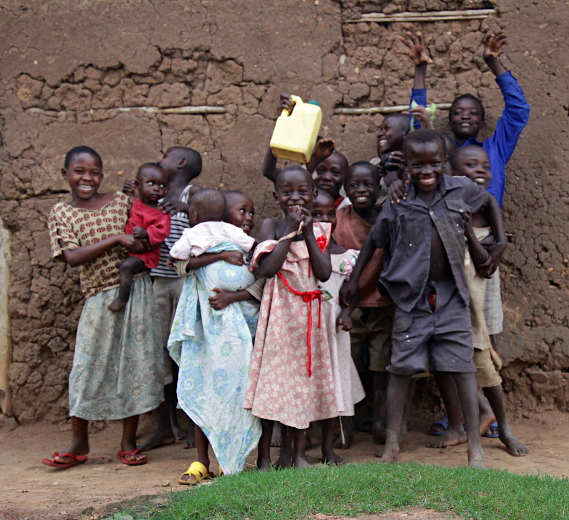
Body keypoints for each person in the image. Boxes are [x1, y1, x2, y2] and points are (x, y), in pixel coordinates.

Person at [342, 129, 506, 468]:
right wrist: (354, 280)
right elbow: (375, 241)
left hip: (451, 297)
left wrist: (500, 241)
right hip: (411, 299)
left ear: (445, 162)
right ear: (407, 168)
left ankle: (474, 447)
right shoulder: (398, 201)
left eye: (434, 163)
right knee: (400, 369)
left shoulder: (461, 189)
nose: (426, 171)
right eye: (418, 165)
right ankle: (391, 444)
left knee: (462, 369)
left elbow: (488, 200)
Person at [43, 146, 164, 469]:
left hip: (136, 292)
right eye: (80, 171)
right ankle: (79, 441)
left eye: (94, 172)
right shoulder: (61, 213)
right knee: (86, 369)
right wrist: (115, 240)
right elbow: (71, 257)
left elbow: (143, 232)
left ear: (102, 174)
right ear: (65, 175)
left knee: (134, 367)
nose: (87, 178)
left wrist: (137, 239)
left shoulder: (122, 202)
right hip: (98, 297)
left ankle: (127, 442)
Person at [431, 145, 526, 457]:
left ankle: (504, 427)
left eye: (485, 166)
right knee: (444, 364)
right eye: (471, 166)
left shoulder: (487, 202)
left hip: (474, 303)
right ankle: (459, 424)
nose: (482, 172)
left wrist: (479, 242)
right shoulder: (443, 205)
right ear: (454, 175)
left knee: (485, 365)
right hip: (447, 303)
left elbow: (495, 251)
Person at [244, 166, 337, 470]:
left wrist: (307, 233)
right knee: (273, 383)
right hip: (280, 315)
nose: (295, 198)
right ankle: (263, 458)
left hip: (309, 318)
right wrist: (289, 231)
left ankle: (296, 455)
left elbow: (323, 273)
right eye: (287, 192)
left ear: (313, 195)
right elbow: (269, 268)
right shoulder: (271, 226)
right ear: (276, 196)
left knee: (303, 384)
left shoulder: (319, 229)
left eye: (302, 192)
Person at [168, 189, 262, 483]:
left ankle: (230, 458)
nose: (245, 219)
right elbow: (180, 264)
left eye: (250, 213)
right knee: (203, 390)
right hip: (205, 335)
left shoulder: (248, 249)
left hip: (244, 334)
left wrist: (235, 297)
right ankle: (201, 460)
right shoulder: (205, 242)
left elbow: (263, 280)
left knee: (237, 395)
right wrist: (219, 255)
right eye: (239, 212)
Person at [134, 146, 202, 452]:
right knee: (161, 353)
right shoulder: (152, 192)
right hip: (159, 281)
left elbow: (210, 215)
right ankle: (165, 425)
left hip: (186, 282)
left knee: (186, 353)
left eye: (168, 154)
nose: (160, 156)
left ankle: (190, 425)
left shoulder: (191, 194)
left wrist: (187, 209)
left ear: (182, 163)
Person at [334, 161, 395, 449]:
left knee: (382, 364)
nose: (361, 190)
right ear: (345, 188)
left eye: (368, 184)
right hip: (349, 302)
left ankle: (381, 422)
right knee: (349, 361)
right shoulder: (340, 217)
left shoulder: (387, 215)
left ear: (378, 185)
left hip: (382, 299)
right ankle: (347, 423)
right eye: (354, 185)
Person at [312, 191, 366, 453]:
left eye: (329, 214)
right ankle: (311, 431)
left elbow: (354, 289)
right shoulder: (303, 253)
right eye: (316, 214)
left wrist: (346, 312)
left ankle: (343, 428)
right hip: (309, 327)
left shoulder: (348, 256)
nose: (324, 219)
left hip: (334, 326)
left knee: (339, 374)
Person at [108, 163, 170, 312]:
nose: (157, 188)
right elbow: (129, 198)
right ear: (138, 185)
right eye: (151, 183)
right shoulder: (138, 201)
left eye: (162, 186)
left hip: (146, 254)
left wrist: (146, 233)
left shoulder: (162, 212)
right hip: (130, 247)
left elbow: (163, 232)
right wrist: (128, 188)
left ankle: (122, 299)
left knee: (126, 267)